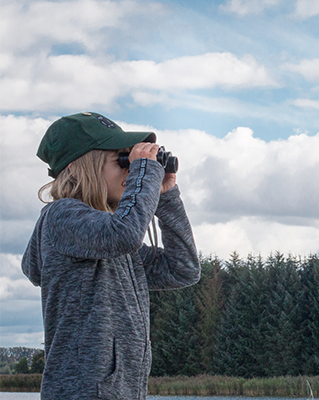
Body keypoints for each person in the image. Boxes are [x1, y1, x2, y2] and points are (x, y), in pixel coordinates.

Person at [21, 112, 201, 399]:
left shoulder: (110, 243)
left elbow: (184, 269)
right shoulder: (62, 216)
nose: (131, 170)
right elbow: (125, 234)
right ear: (83, 167)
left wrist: (165, 197)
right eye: (122, 160)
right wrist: (146, 174)